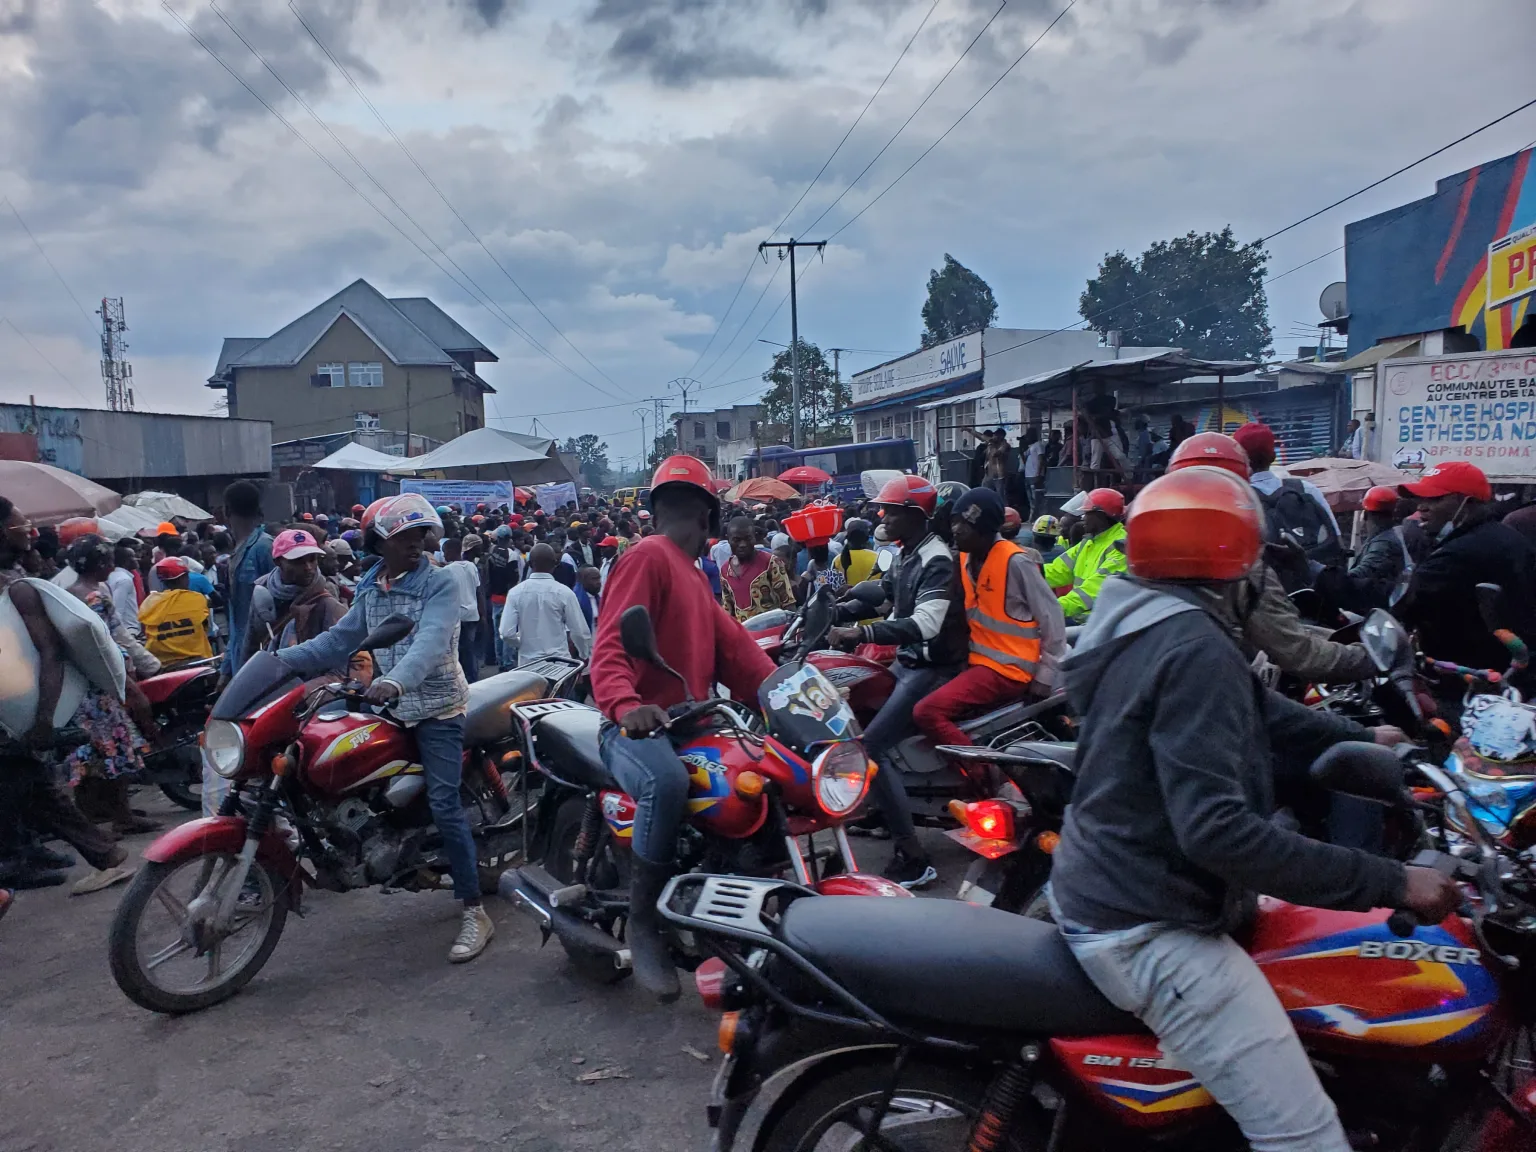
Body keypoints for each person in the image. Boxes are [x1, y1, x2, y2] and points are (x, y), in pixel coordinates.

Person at [1049, 464, 1460, 1152]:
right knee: (1306, 1138)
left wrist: (1366, 739)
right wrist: (1392, 880)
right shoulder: (1193, 646)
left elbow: (1260, 709)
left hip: (1122, 884)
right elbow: (1220, 833)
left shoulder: (1142, 620)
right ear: (1233, 568)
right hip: (1151, 926)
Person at [273, 493, 494, 964]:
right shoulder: (372, 586)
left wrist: (395, 681)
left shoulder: (440, 583)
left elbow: (432, 642)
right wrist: (275, 663)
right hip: (387, 706)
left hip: (436, 706)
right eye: (403, 538)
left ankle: (475, 909)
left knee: (444, 802)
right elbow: (339, 640)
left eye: (420, 535)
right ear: (379, 543)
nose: (415, 544)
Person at [590, 455, 776, 1000]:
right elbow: (610, 647)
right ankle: (646, 921)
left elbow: (742, 657)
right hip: (635, 731)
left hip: (687, 724)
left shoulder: (694, 576)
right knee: (666, 783)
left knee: (760, 776)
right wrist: (626, 706)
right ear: (709, 520)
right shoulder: (647, 557)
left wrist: (789, 697)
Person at [827, 474, 968, 889]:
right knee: (859, 716)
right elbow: (885, 595)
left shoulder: (936, 559)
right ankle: (883, 810)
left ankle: (914, 855)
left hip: (932, 667)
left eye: (890, 510)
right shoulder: (908, 552)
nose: (882, 515)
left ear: (915, 514)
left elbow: (926, 623)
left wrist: (863, 633)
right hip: (908, 663)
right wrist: (838, 607)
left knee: (870, 747)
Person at [0, 500, 142, 894]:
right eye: (21, 524)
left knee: (25, 784)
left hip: (18, 710)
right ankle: (94, 854)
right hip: (13, 709)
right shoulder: (15, 583)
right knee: (30, 787)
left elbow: (50, 653)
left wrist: (43, 719)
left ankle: (96, 855)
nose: (29, 529)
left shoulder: (19, 589)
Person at [1167, 432, 1376, 686]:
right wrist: (1374, 657)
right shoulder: (1241, 568)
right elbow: (1301, 654)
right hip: (1214, 700)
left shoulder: (1136, 551)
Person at [913, 488, 1067, 750]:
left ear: (984, 529)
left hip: (1008, 669)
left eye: (964, 524)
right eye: (954, 522)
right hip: (976, 663)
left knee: (926, 712)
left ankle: (987, 774)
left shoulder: (1017, 562)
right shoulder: (963, 558)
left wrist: (1045, 675)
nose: (956, 529)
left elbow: (1053, 620)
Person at [1393, 461, 1536, 709]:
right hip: (1514, 678)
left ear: (1466, 503)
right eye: (1420, 499)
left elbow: (1403, 609)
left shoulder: (1456, 555)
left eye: (1434, 499)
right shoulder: (1507, 537)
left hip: (1473, 687)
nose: (1421, 508)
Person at [1232, 421, 1345, 589]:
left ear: (1239, 459)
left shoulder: (1234, 498)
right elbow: (1337, 542)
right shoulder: (1306, 489)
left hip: (1258, 597)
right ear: (1273, 457)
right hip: (1311, 594)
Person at [1314, 486, 1429, 615]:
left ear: (1365, 515)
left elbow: (1361, 573)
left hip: (1378, 612)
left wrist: (1326, 575)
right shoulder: (1387, 536)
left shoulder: (1383, 543)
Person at [499, 543, 592, 667]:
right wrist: (584, 655)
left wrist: (522, 644)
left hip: (528, 664)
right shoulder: (564, 593)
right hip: (559, 663)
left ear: (530, 564)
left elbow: (506, 633)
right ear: (555, 564)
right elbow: (580, 631)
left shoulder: (515, 593)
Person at [1043, 488, 1128, 623]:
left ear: (1100, 516)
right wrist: (1021, 576)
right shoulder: (1089, 541)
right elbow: (1056, 570)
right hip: (1082, 619)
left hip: (1102, 624)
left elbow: (1094, 590)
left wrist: (1052, 608)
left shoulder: (1120, 546)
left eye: (1087, 513)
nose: (1083, 517)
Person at [220, 480, 274, 685]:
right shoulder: (236, 555)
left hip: (264, 662)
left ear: (225, 511)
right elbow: (237, 619)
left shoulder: (264, 547)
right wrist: (226, 669)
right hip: (240, 662)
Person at [139, 557, 214, 666]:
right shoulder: (196, 598)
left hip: (162, 665)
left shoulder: (149, 602)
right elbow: (205, 624)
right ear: (182, 578)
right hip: (198, 660)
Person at [720, 515, 796, 621]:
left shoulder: (770, 562)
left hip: (773, 631)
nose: (742, 544)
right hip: (743, 634)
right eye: (736, 540)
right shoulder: (725, 571)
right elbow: (728, 610)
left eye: (748, 538)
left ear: (754, 537)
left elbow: (788, 603)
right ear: (728, 539)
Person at [441, 535, 482, 684]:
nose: (444, 555)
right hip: (472, 614)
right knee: (470, 649)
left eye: (445, 552)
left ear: (452, 551)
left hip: (457, 616)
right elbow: (479, 591)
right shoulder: (471, 566)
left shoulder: (447, 570)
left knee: (459, 650)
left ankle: (465, 680)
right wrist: (482, 614)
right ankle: (473, 678)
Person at [832, 518, 878, 588]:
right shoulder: (876, 558)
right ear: (866, 538)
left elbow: (834, 585)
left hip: (846, 598)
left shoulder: (838, 559)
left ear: (847, 537)